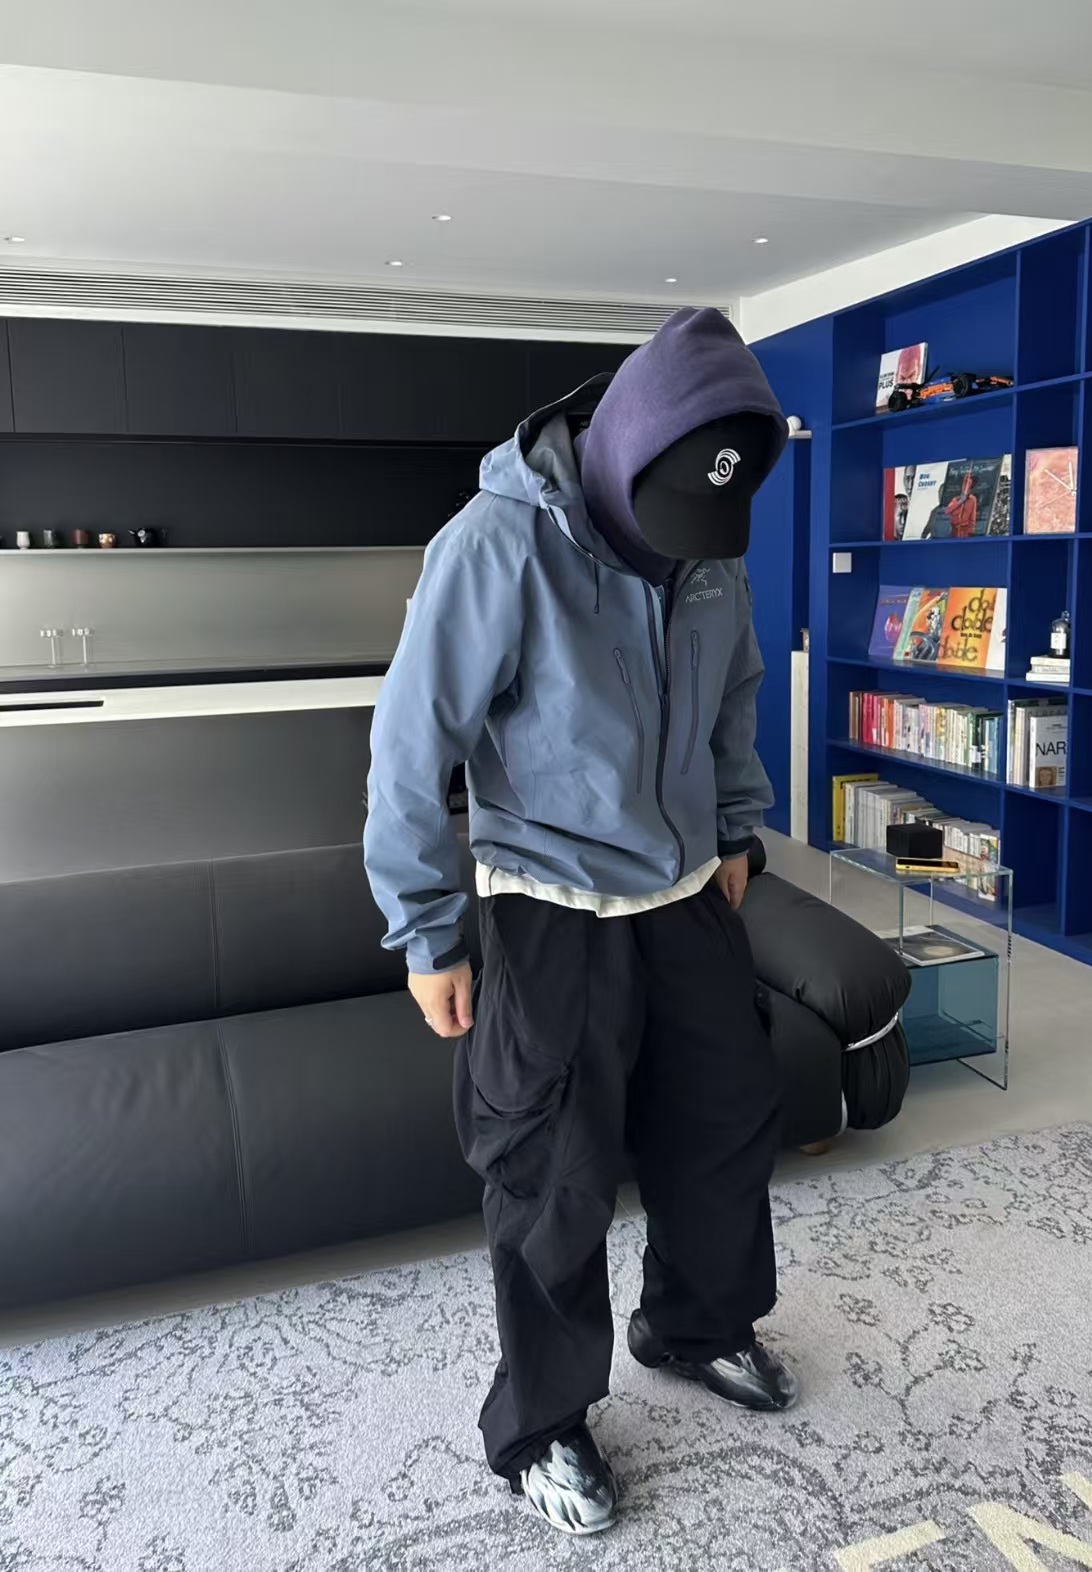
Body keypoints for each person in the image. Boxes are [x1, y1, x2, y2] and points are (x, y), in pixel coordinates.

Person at [364, 307, 796, 1537]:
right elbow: (411, 747)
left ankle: (695, 1324)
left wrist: (738, 827)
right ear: (620, 455)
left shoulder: (708, 547)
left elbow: (735, 694)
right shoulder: (494, 544)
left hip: (684, 887)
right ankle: (542, 1422)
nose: (688, 551)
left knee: (725, 1125)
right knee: (551, 1178)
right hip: (549, 900)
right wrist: (427, 931)